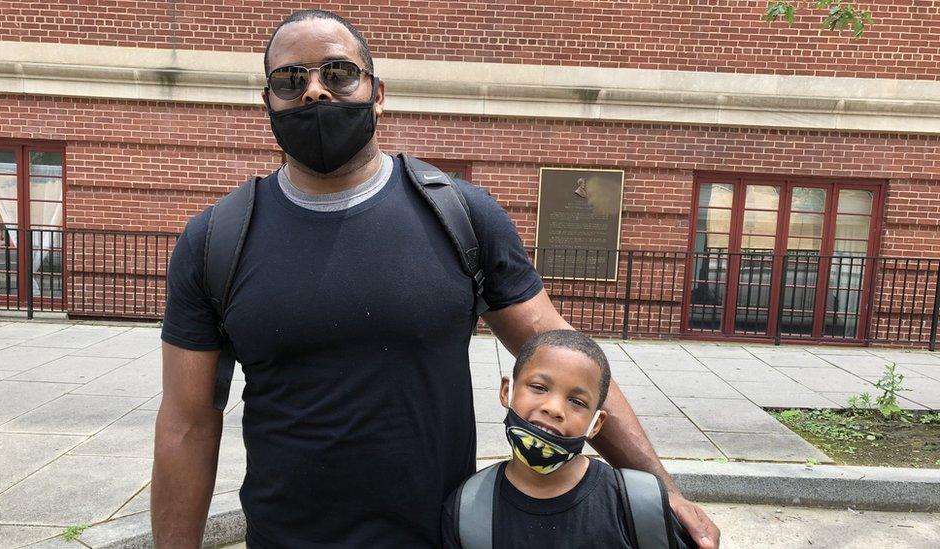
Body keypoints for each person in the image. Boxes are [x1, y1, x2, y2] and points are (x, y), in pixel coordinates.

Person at [150, 9, 720, 549]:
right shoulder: (216, 239)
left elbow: (566, 357)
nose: (316, 91)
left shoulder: (460, 217)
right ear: (266, 101)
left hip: (440, 535)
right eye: (290, 79)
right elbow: (187, 423)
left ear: (378, 94)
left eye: (339, 73)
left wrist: (662, 486)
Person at [441, 330, 696, 548]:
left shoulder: (637, 506)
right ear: (507, 391)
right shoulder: (467, 510)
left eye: (577, 402)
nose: (554, 408)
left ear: (596, 424)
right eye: (539, 387)